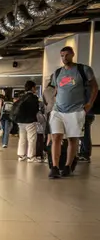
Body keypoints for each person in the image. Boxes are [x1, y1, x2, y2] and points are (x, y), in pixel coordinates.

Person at [49, 45, 98, 178]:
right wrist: (51, 102)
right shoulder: (58, 73)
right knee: (56, 137)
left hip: (75, 110)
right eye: (62, 56)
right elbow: (55, 90)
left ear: (72, 55)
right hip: (58, 110)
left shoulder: (83, 69)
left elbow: (95, 87)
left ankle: (68, 166)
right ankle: (54, 166)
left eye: (66, 55)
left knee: (72, 139)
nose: (64, 58)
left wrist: (89, 104)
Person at [11, 81, 41, 162]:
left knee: (22, 138)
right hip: (30, 121)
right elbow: (36, 109)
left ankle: (21, 155)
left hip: (20, 121)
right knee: (31, 139)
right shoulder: (33, 98)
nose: (35, 89)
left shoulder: (22, 97)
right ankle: (31, 157)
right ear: (32, 88)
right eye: (35, 87)